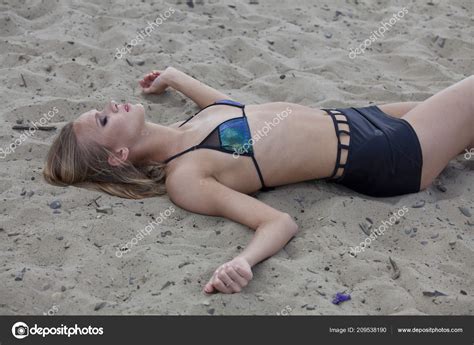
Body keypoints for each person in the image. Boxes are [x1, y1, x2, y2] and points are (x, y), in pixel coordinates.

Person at [43, 67, 473, 294]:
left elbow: (232, 107)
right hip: (385, 156)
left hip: (366, 118)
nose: (113, 105)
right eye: (103, 118)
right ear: (119, 156)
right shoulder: (187, 174)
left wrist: (173, 76)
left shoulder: (197, 120)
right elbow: (277, 222)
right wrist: (243, 262)